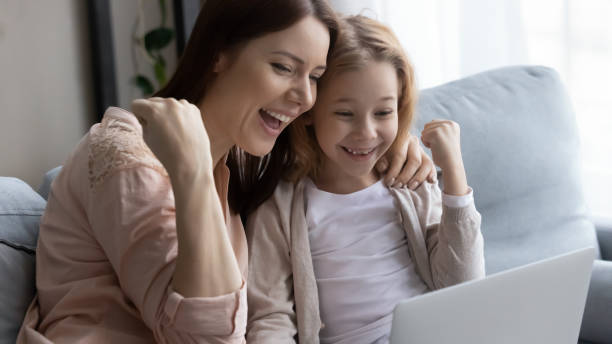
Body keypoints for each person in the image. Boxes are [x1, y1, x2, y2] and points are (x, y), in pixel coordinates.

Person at [17, 1, 435, 343]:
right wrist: (193, 171)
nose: (305, 97)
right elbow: (206, 338)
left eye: (315, 77)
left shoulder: (246, 154)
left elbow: (352, 111)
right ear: (219, 52)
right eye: (284, 68)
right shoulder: (126, 153)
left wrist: (399, 143)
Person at [246, 15, 486, 344]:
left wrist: (455, 176)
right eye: (345, 114)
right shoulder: (280, 203)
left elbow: (464, 285)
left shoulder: (410, 181)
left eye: (383, 113)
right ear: (310, 111)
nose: (366, 134)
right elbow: (271, 316)